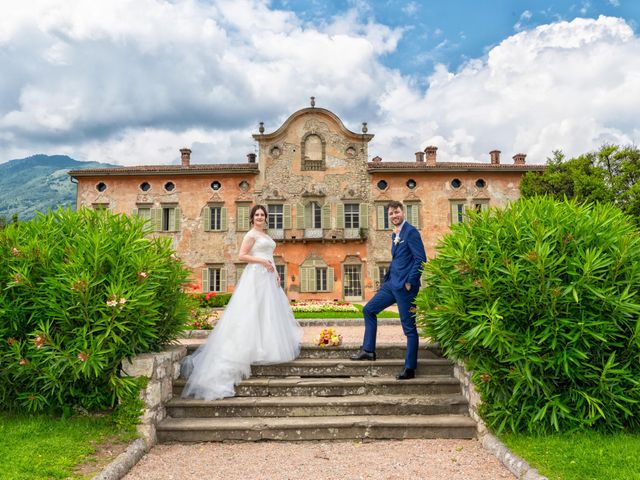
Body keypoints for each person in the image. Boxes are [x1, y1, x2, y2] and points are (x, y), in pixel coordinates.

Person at [181, 205, 303, 400]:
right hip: (255, 275)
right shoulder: (251, 235)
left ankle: (264, 346)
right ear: (252, 218)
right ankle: (246, 349)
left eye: (263, 214)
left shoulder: (265, 235)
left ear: (266, 217)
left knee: (267, 312)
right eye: (257, 215)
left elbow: (270, 256)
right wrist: (262, 262)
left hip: (268, 276)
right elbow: (241, 256)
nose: (260, 217)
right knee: (251, 311)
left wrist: (276, 273)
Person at [351, 201, 427, 380]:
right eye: (391, 213)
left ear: (403, 212)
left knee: (409, 328)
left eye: (397, 212)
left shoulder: (412, 232)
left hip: (405, 288)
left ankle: (409, 368)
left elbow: (421, 259)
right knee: (368, 310)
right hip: (391, 285)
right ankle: (368, 350)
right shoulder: (395, 234)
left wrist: (410, 281)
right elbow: (398, 259)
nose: (394, 216)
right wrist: (387, 281)